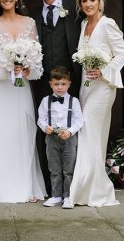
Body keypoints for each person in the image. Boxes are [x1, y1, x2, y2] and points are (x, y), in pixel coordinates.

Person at [0, 0, 46, 203]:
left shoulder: (29, 23)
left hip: (21, 88)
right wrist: (10, 65)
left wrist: (27, 70)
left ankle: (25, 186)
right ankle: (1, 186)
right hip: (0, 89)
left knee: (22, 133)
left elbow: (38, 62)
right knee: (1, 134)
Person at [67, 0, 124, 208]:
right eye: (84, 1)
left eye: (92, 0)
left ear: (100, 2)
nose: (88, 4)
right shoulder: (84, 24)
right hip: (86, 86)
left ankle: (88, 189)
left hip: (103, 87)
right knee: (92, 135)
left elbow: (122, 54)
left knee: (89, 133)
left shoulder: (107, 24)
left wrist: (104, 71)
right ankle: (90, 189)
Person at [31, 0, 82, 194]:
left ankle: (73, 186)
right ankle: (50, 186)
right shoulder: (32, 15)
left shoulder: (74, 8)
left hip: (71, 81)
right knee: (46, 129)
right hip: (44, 82)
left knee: (72, 129)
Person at [37, 66, 84, 209]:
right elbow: (41, 119)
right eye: (56, 84)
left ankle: (68, 196)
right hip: (51, 138)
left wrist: (70, 131)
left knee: (69, 168)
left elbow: (79, 121)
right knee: (54, 168)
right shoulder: (46, 101)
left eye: (63, 84)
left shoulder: (74, 101)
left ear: (69, 83)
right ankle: (56, 195)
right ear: (50, 84)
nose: (60, 87)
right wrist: (45, 127)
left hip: (69, 138)